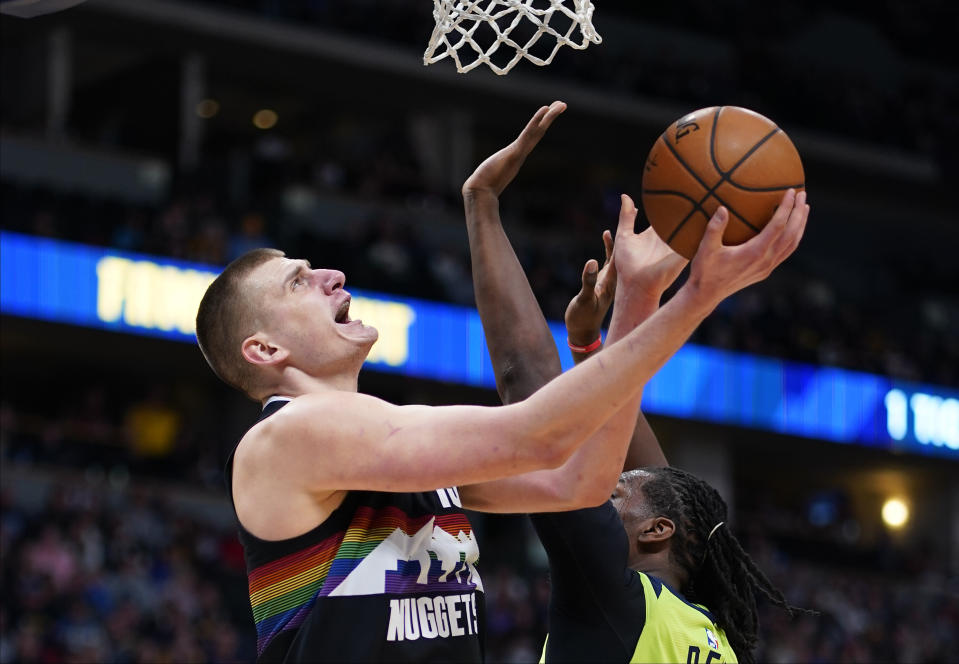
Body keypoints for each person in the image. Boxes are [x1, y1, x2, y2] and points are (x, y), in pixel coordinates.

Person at [194, 101, 807, 663]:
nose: (330, 273)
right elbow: (538, 434)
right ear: (264, 348)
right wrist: (697, 298)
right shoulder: (289, 435)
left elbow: (580, 481)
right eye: (298, 281)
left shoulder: (396, 454)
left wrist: (640, 298)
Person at [461, 103, 808, 662]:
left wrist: (483, 206)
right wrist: (591, 351)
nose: (594, 480)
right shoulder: (715, 639)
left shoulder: (619, 602)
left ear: (655, 531)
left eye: (614, 492)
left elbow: (526, 385)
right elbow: (639, 457)